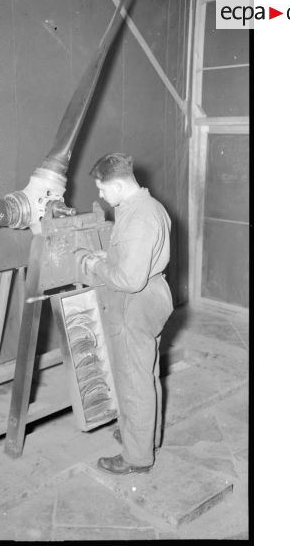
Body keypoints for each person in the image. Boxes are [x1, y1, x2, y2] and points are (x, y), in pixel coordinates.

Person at [75, 153, 173, 475]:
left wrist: (95, 264)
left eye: (102, 189)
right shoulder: (147, 207)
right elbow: (138, 256)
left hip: (136, 304)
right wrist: (112, 255)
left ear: (117, 184)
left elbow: (130, 280)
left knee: (133, 380)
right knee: (144, 374)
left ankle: (136, 457)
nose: (100, 195)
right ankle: (143, 437)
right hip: (152, 295)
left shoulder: (138, 217)